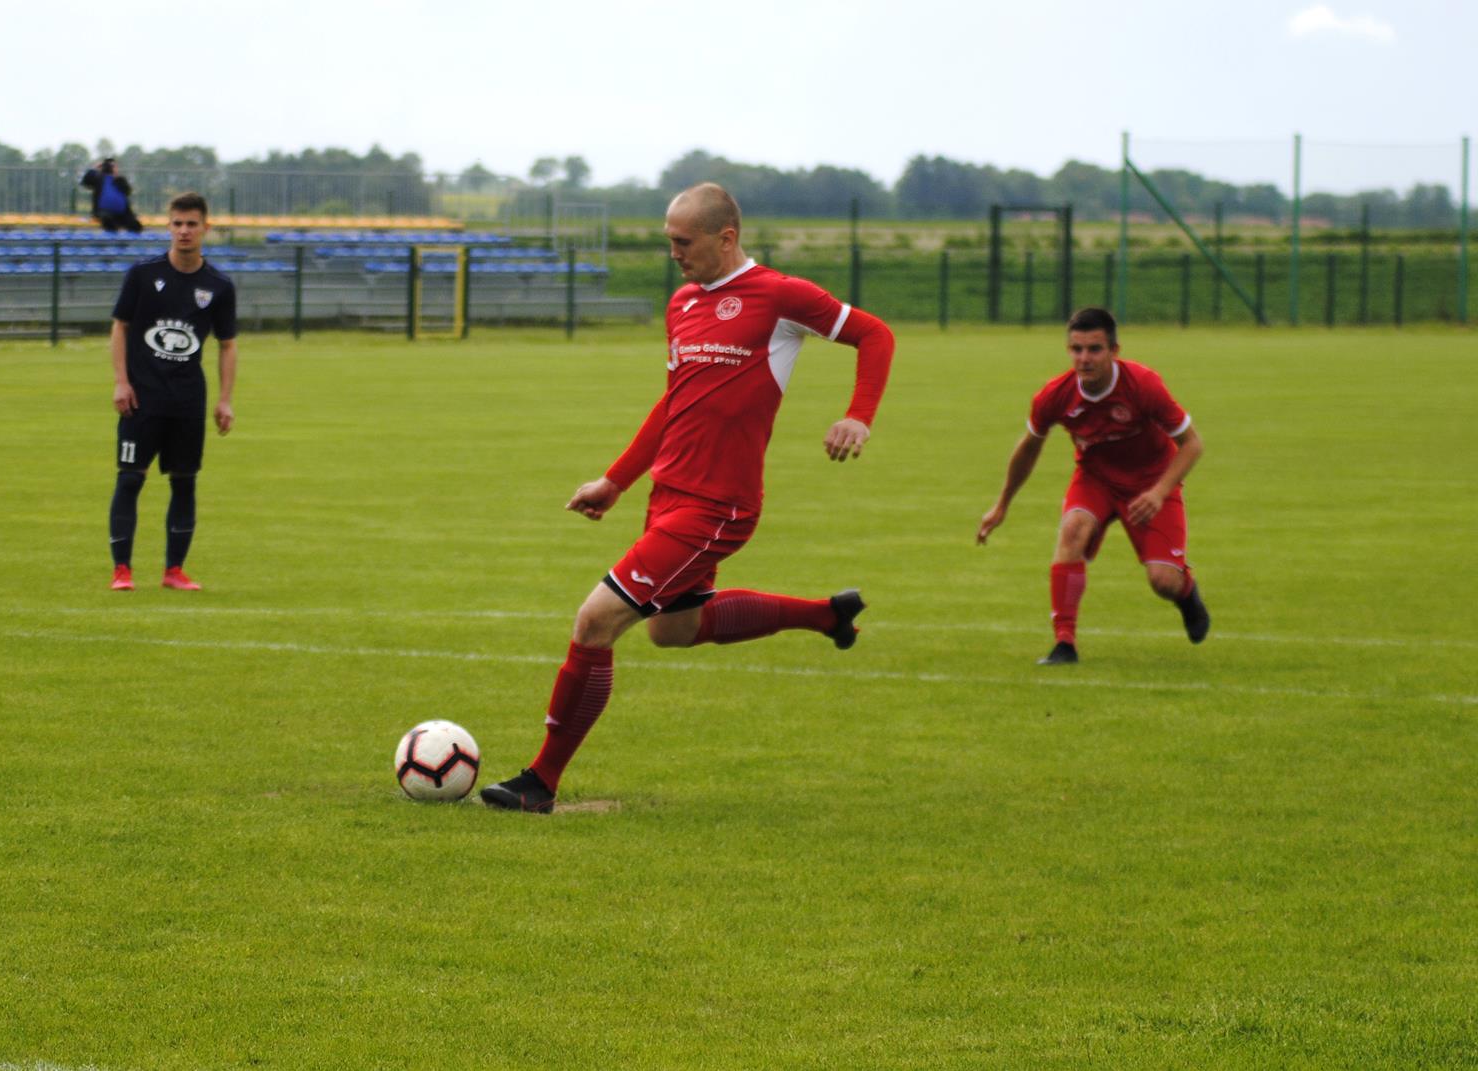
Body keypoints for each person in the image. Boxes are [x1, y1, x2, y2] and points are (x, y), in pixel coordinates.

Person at [480, 182, 896, 814]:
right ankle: (826, 616)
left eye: (683, 241)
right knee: (675, 630)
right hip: (668, 496)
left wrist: (858, 415)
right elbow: (675, 401)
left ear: (724, 238)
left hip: (717, 505)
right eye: (669, 241)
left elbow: (875, 334)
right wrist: (616, 481)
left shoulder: (782, 296)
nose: (673, 253)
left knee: (595, 622)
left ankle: (540, 781)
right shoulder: (682, 304)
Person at [976, 306, 1210, 664]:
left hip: (1150, 483)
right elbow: (1029, 447)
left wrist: (1159, 491)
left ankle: (1187, 594)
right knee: (1072, 530)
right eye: (1077, 349)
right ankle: (1064, 644)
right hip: (1095, 480)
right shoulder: (1055, 395)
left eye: (1094, 349)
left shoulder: (1143, 384)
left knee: (1163, 581)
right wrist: (1002, 503)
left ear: (1115, 351)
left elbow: (1192, 444)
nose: (1084, 358)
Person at [107, 192, 238, 592]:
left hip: (186, 400)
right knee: (130, 479)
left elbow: (227, 344)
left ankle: (173, 571)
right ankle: (122, 571)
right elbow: (120, 327)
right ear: (168, 226)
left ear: (205, 228)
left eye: (192, 224)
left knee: (184, 481)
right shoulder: (143, 275)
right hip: (142, 398)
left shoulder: (218, 285)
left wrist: (225, 398)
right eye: (177, 223)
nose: (184, 231)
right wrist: (121, 380)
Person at [81, 158, 144, 234]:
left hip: (122, 214)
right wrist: (96, 168)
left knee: (136, 226)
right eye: (110, 166)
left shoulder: (120, 180)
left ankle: (128, 243)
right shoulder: (99, 178)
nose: (112, 168)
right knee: (108, 221)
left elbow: (128, 191)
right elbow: (85, 181)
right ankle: (111, 242)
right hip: (105, 213)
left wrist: (116, 178)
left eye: (113, 166)